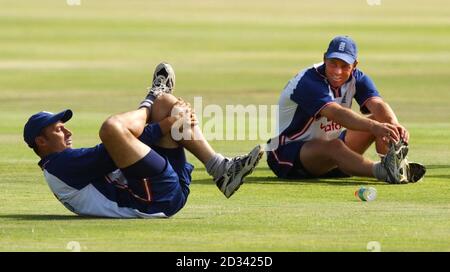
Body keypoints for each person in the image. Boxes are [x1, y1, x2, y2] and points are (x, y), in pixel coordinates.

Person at [23, 62, 263, 218]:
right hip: (150, 200)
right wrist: (166, 125)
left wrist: (164, 120)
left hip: (159, 189)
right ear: (41, 142)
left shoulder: (64, 164)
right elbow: (116, 144)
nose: (68, 133)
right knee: (111, 128)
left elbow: (125, 144)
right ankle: (151, 97)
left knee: (165, 104)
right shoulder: (59, 166)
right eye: (59, 130)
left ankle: (221, 169)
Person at [266, 35, 425, 183]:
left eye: (344, 66)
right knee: (338, 145)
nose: (337, 71)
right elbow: (336, 113)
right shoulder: (307, 81)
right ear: (324, 59)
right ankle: (384, 172)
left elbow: (377, 104)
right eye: (333, 63)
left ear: (355, 65)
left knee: (381, 122)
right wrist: (375, 127)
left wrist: (394, 127)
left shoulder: (358, 78)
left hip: (328, 153)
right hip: (287, 155)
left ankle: (395, 164)